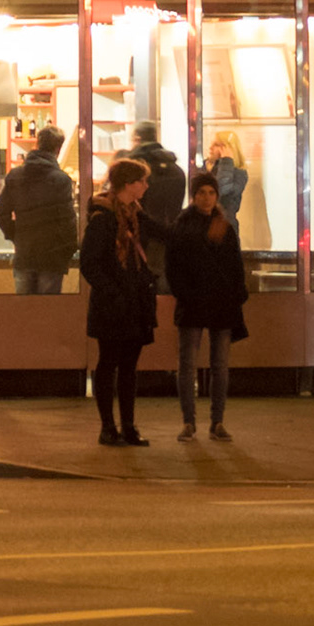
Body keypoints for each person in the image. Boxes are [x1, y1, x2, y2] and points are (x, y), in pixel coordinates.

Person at [167, 171, 249, 443]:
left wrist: (236, 294)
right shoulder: (184, 224)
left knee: (220, 365)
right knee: (188, 365)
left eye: (211, 193)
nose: (206, 198)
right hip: (193, 302)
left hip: (220, 303)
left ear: (216, 196)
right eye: (202, 193)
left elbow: (235, 264)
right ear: (194, 196)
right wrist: (184, 293)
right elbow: (174, 266)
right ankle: (189, 422)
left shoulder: (223, 226)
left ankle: (217, 421)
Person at [81, 157, 155, 447]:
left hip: (133, 302)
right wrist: (113, 291)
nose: (146, 186)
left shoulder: (135, 214)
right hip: (112, 305)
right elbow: (90, 263)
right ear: (129, 185)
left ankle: (128, 426)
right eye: (142, 181)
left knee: (129, 367)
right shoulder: (104, 218)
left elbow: (163, 233)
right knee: (109, 362)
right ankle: (107, 427)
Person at [0, 124, 78, 294]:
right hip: (52, 257)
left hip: (24, 254)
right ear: (58, 149)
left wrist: (17, 235)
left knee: (24, 312)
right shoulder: (61, 180)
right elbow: (68, 221)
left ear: (37, 144)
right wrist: (68, 249)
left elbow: (0, 214)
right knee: (46, 313)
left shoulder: (15, 175)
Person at [124, 120, 184, 283]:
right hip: (168, 236)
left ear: (137, 138)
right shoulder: (176, 169)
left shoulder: (134, 168)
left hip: (139, 240)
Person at [205, 131, 250, 228]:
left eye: (216, 145)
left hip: (225, 227)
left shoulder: (239, 173)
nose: (210, 147)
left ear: (228, 148)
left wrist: (226, 161)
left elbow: (221, 189)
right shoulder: (207, 168)